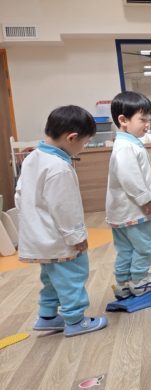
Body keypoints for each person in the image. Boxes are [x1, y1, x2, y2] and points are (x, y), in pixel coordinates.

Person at [15, 106, 108, 337]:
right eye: (85, 142)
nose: (84, 146)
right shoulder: (59, 167)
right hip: (59, 239)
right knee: (72, 277)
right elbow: (65, 208)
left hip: (38, 237)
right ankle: (75, 320)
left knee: (51, 278)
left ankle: (47, 316)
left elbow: (19, 195)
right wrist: (77, 237)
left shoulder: (32, 158)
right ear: (72, 138)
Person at [107, 91, 151, 299]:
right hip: (133, 209)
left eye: (149, 120)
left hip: (121, 212)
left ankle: (123, 283)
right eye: (143, 120)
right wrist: (145, 199)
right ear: (123, 120)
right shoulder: (126, 146)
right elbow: (130, 178)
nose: (147, 124)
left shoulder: (125, 143)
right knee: (144, 245)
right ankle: (140, 280)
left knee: (125, 249)